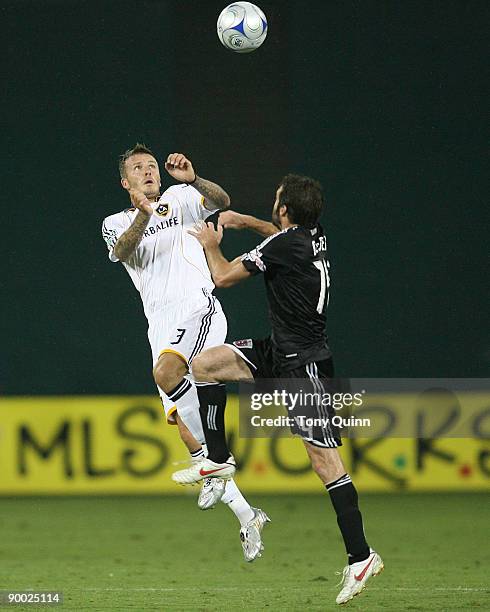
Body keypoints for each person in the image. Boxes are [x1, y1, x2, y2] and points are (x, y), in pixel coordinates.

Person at [171, 174, 384, 605]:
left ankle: (361, 556)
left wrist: (212, 243)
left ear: (284, 208)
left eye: (275, 200)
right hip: (282, 352)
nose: (273, 204)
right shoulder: (310, 237)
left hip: (302, 366)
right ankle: (218, 459)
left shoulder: (283, 244)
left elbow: (225, 277)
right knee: (205, 364)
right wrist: (245, 221)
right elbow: (274, 237)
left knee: (325, 463)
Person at [101, 143, 269, 561]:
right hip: (160, 325)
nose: (148, 172)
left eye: (152, 166)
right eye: (138, 168)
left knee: (167, 374)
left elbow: (222, 202)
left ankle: (218, 458)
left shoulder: (179, 199)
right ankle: (248, 515)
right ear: (126, 182)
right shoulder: (116, 221)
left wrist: (194, 180)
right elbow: (122, 252)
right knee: (184, 426)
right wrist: (142, 212)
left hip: (197, 307)